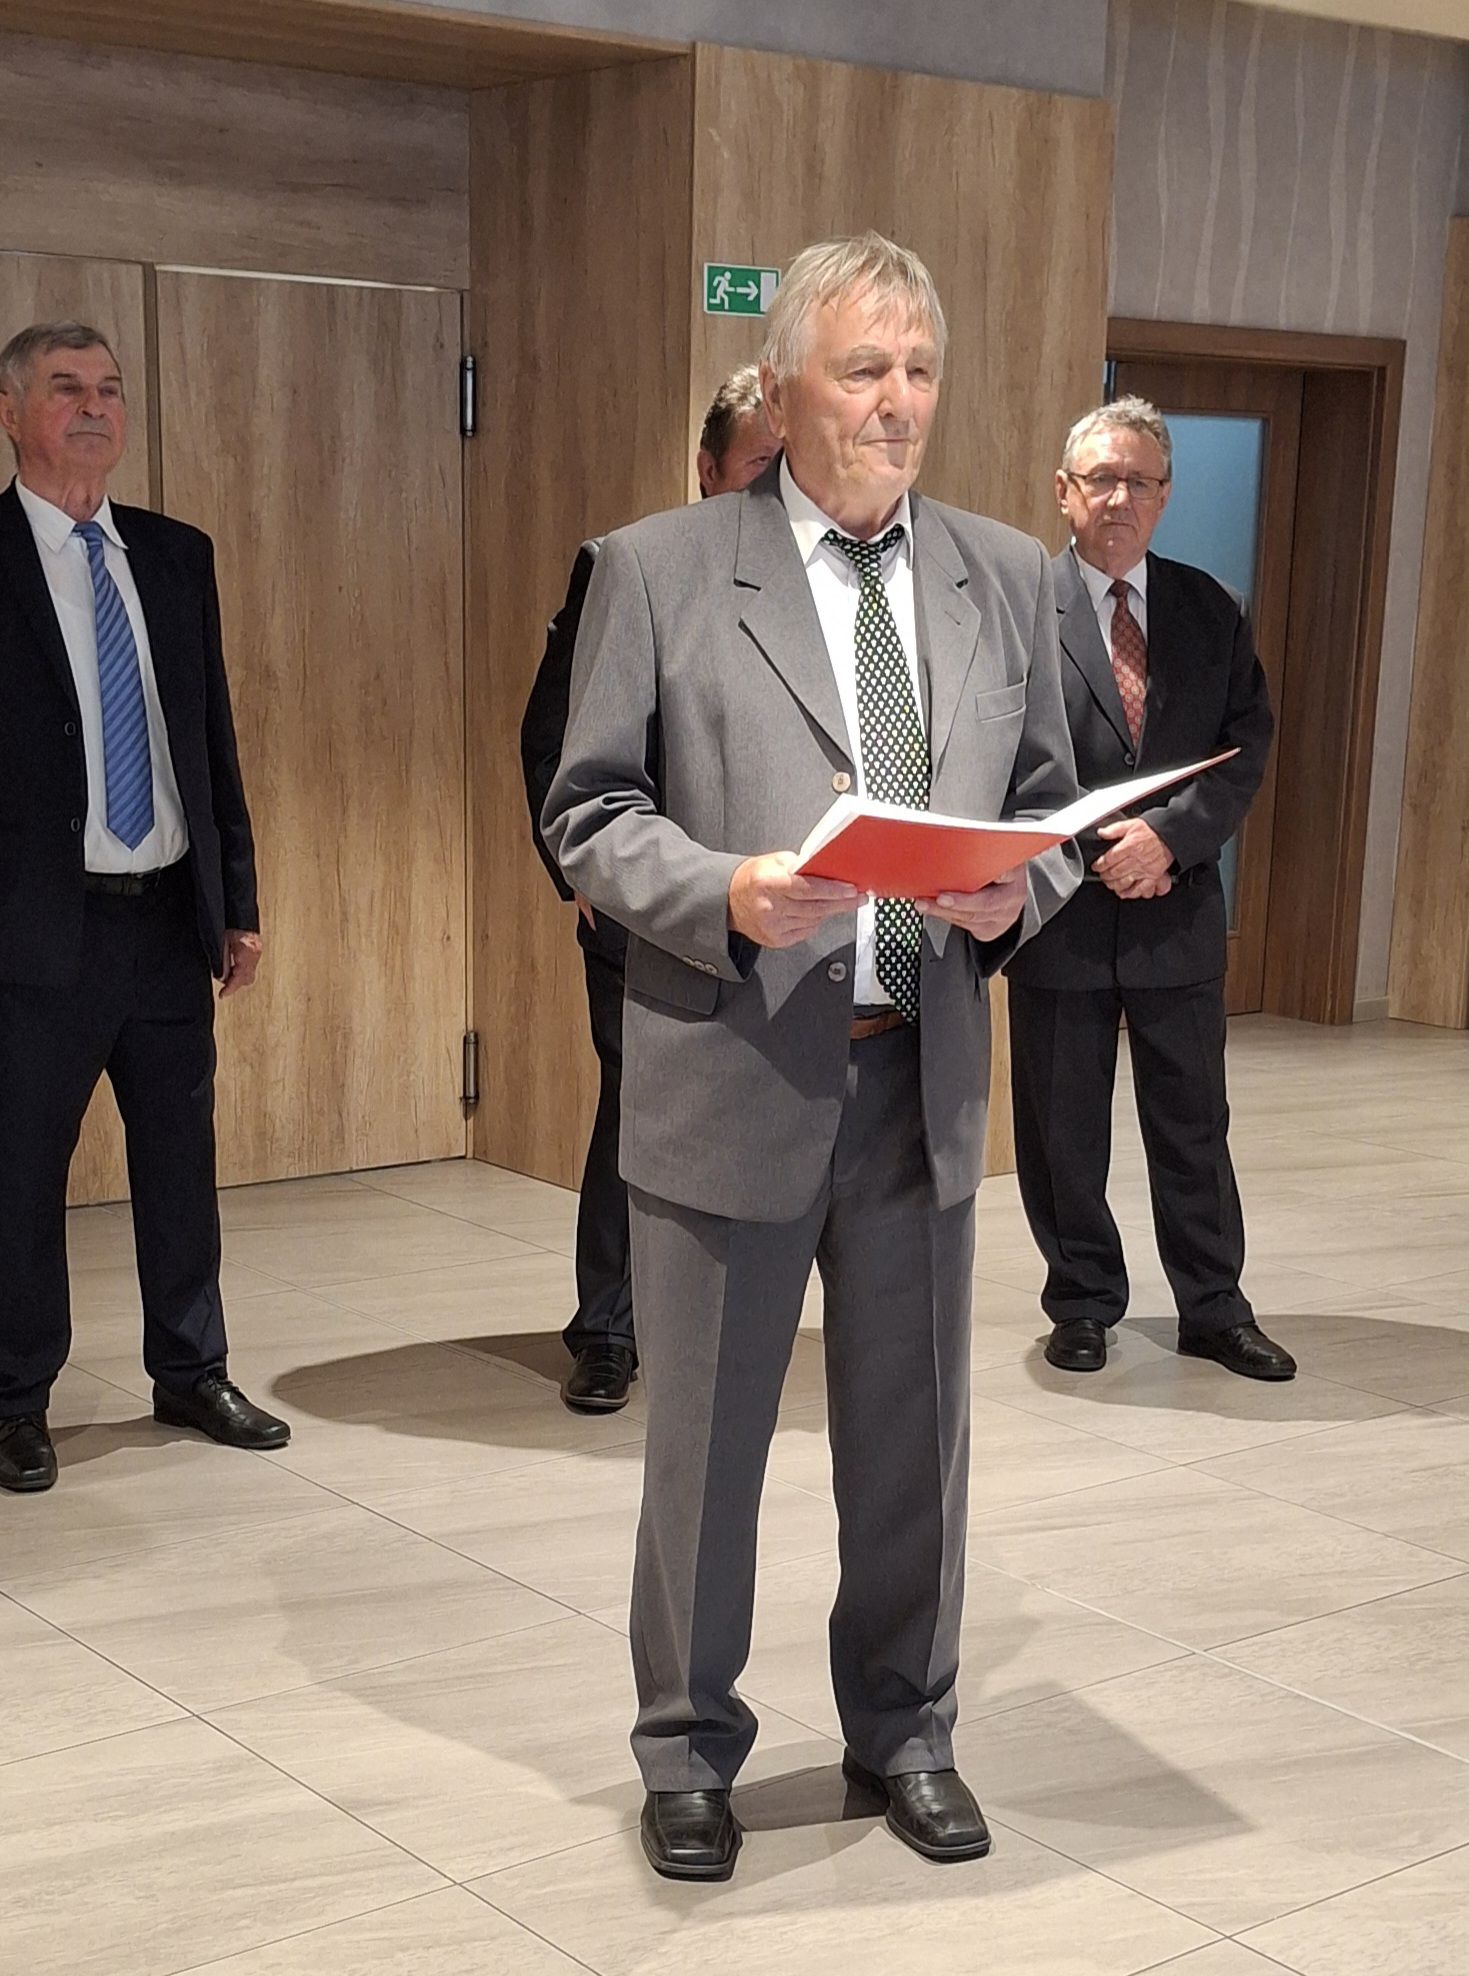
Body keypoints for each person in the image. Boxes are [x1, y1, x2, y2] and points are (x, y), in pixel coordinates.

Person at [543, 234, 1081, 1881]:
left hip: (921, 1077)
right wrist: (725, 892)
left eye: (918, 371)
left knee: (914, 1444)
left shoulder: (1007, 575)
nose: (897, 403)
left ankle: (906, 1732)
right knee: (705, 1450)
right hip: (735, 1070)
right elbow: (587, 813)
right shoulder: (656, 569)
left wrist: (1021, 890)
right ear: (781, 390)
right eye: (863, 371)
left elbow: (1050, 806)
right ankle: (687, 1750)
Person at [0, 320, 290, 1494]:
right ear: (9, 410)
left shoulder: (173, 553)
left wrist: (236, 897)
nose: (94, 406)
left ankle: (192, 1368)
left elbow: (209, 741)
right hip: (29, 932)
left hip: (165, 917)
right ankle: (16, 1398)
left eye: (109, 388)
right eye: (66, 388)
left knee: (181, 1161)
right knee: (20, 1173)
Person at [1005, 396, 1294, 1380]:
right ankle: (1082, 1301)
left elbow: (1244, 745)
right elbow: (995, 758)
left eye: (1138, 481)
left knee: (1192, 1124)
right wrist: (1091, 848)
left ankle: (1212, 1307)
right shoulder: (1016, 612)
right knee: (1061, 1129)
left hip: (1176, 910)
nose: (1118, 498)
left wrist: (1168, 839)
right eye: (1100, 478)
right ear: (1063, 491)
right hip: (1058, 912)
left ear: (1164, 497)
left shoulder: (1211, 609)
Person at [520, 366, 776, 1415]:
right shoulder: (631, 567)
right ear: (706, 468)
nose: (776, 485)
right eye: (758, 464)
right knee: (641, 1112)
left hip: (786, 915)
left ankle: (727, 1324)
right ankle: (609, 1331)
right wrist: (582, 874)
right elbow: (552, 733)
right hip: (648, 906)